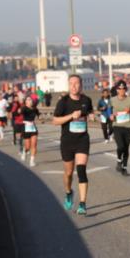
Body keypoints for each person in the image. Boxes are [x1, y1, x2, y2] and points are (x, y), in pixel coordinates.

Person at [52, 74, 94, 215]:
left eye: (76, 83)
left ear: (81, 85)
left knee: (81, 170)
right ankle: (69, 192)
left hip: (82, 140)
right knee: (69, 173)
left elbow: (89, 111)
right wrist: (71, 116)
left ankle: (82, 204)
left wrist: (92, 115)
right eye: (71, 83)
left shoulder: (86, 100)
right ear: (68, 85)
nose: (74, 86)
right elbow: (55, 121)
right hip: (67, 141)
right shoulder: (63, 102)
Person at [110, 81, 130, 173]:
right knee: (120, 146)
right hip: (117, 126)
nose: (121, 90)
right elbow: (108, 111)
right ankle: (118, 160)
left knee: (126, 148)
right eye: (120, 89)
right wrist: (111, 115)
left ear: (126, 89)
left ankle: (124, 168)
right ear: (117, 90)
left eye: (123, 88)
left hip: (128, 126)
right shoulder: (112, 100)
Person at [21, 95, 39, 167]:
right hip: (26, 127)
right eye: (28, 100)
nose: (30, 101)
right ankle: (24, 152)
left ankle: (32, 161)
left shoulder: (35, 109)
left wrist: (39, 118)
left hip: (33, 127)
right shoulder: (24, 108)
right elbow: (21, 112)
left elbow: (38, 115)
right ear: (25, 102)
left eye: (30, 100)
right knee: (28, 146)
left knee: (34, 144)